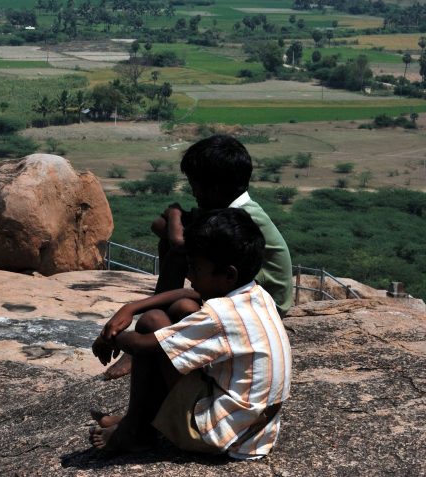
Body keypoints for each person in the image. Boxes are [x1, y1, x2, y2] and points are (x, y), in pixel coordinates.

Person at [90, 208, 292, 459]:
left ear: (228, 274)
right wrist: (131, 307)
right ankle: (144, 419)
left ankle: (135, 431)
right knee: (182, 309)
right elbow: (190, 295)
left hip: (216, 437)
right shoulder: (256, 294)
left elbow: (142, 345)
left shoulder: (221, 315)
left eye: (195, 268)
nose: (188, 275)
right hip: (253, 431)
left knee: (153, 322)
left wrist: (108, 338)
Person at [96, 134, 293, 380]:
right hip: (237, 291)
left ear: (215, 188)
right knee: (176, 266)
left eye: (194, 185)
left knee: (180, 302)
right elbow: (160, 227)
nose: (193, 192)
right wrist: (174, 222)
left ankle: (141, 351)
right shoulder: (221, 207)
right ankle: (151, 342)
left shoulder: (238, 217)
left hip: (265, 302)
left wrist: (175, 211)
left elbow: (179, 242)